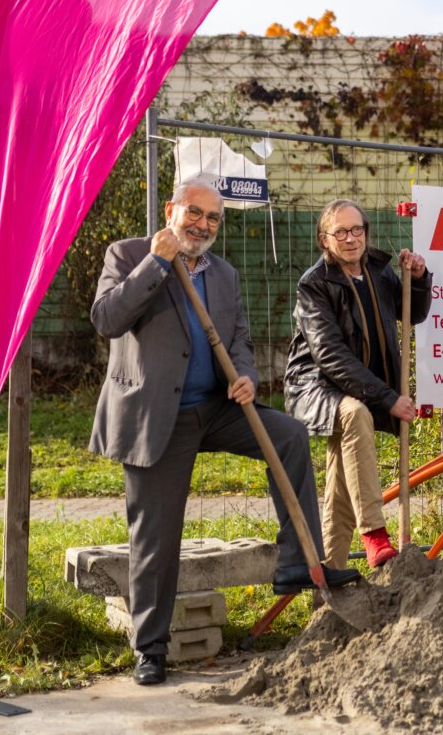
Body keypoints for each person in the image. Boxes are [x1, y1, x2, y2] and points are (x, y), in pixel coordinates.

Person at [88, 179, 359, 687]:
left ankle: (297, 562)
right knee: (156, 538)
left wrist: (244, 375)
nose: (203, 225)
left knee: (289, 437)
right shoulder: (127, 254)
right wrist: (157, 263)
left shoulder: (225, 275)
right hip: (157, 418)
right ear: (171, 210)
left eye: (213, 218)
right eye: (194, 213)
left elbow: (238, 337)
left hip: (215, 408)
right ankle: (151, 648)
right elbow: (107, 319)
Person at [284, 199, 432, 569]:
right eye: (340, 232)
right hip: (316, 385)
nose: (350, 239)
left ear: (365, 232)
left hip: (358, 387)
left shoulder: (379, 273)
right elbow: (329, 355)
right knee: (355, 415)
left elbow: (411, 313)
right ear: (325, 239)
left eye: (356, 230)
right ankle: (374, 535)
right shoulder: (314, 284)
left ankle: (329, 572)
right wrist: (388, 398)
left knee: (340, 482)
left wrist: (417, 280)